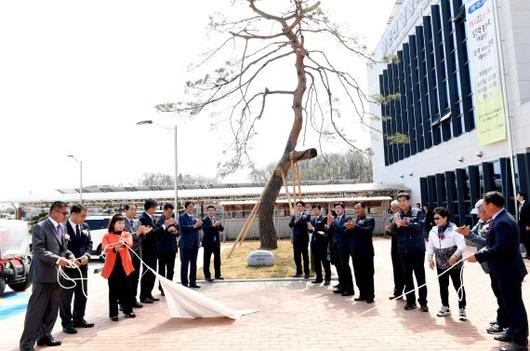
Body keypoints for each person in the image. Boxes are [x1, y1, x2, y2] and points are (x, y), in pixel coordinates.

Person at [468, 191, 528, 351]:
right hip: (504, 270)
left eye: (485, 205)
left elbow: (500, 249)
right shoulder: (500, 218)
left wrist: (479, 256)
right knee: (508, 304)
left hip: (509, 270)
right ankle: (511, 332)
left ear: (492, 205)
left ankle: (520, 342)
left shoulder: (502, 222)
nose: (484, 208)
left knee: (514, 306)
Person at [20, 201, 73, 351]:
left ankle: (44, 336)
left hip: (57, 276)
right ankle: (26, 343)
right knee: (36, 311)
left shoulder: (62, 227)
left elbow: (63, 249)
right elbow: (38, 250)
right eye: (64, 213)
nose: (66, 216)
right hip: (42, 275)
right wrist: (58, 259)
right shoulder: (40, 227)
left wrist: (70, 255)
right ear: (55, 212)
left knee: (52, 309)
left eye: (67, 213)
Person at [457, 200, 508, 334]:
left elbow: (487, 242)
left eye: (479, 212)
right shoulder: (481, 223)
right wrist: (466, 233)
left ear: (486, 209)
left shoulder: (496, 223)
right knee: (498, 294)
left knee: (503, 295)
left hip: (497, 264)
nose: (477, 216)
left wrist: (470, 235)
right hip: (489, 265)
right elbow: (470, 239)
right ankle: (502, 319)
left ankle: (505, 323)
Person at [426, 207, 467, 321]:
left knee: (458, 285)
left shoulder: (455, 229)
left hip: (454, 262)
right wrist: (430, 258)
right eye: (434, 218)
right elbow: (430, 246)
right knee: (443, 286)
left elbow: (462, 245)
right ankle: (445, 307)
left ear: (445, 218)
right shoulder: (433, 230)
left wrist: (455, 256)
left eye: (438, 218)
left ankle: (462, 308)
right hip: (440, 262)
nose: (435, 220)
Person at [59, 204, 94, 334]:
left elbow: (89, 244)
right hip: (68, 267)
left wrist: (87, 255)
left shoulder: (85, 226)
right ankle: (67, 323)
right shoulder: (63, 227)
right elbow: (61, 246)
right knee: (66, 297)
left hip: (83, 266)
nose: (84, 219)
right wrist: (70, 256)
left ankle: (79, 318)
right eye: (82, 216)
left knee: (82, 294)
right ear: (73, 214)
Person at [393, 192, 428, 312]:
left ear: (408, 201)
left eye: (404, 200)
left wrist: (407, 223)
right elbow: (395, 232)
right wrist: (394, 228)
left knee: (420, 277)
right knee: (407, 276)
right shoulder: (397, 214)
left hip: (417, 250)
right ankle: (410, 301)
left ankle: (423, 302)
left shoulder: (417, 212)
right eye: (400, 201)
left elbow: (421, 226)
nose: (402, 203)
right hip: (403, 250)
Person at [139, 199, 175, 303]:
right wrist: (165, 225)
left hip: (154, 250)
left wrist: (165, 227)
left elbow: (156, 232)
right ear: (151, 208)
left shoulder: (150, 218)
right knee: (147, 273)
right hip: (148, 250)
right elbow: (153, 233)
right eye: (155, 208)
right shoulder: (144, 219)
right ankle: (143, 296)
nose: (155, 210)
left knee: (152, 273)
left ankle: (148, 294)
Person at [101, 214, 136, 321]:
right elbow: (105, 248)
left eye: (123, 223)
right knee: (113, 290)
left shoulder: (126, 234)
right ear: (113, 224)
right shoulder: (106, 236)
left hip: (125, 266)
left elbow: (129, 244)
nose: (121, 225)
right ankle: (113, 313)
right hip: (112, 266)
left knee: (127, 289)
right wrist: (114, 249)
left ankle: (128, 310)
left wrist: (123, 243)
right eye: (119, 223)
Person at [123, 204, 151, 308]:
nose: (134, 211)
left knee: (135, 278)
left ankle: (133, 299)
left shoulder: (137, 222)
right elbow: (125, 237)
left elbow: (141, 238)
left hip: (137, 253)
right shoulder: (121, 222)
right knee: (127, 279)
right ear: (125, 210)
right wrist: (137, 233)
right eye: (132, 209)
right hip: (127, 254)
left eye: (135, 209)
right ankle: (124, 301)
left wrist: (144, 233)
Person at [349, 202, 375, 303]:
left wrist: (355, 226)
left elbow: (368, 231)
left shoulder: (369, 219)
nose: (357, 210)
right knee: (358, 274)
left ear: (363, 208)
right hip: (355, 252)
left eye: (358, 208)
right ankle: (362, 293)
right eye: (355, 209)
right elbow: (349, 235)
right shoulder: (353, 221)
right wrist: (347, 228)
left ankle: (370, 295)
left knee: (368, 274)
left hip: (366, 253)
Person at [326, 202, 354, 296]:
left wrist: (334, 222)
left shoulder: (347, 219)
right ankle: (342, 286)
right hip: (335, 247)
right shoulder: (336, 219)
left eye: (339, 208)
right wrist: (329, 225)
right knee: (338, 268)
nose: (337, 210)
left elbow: (343, 230)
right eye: (336, 208)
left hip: (343, 247)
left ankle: (350, 289)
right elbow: (329, 233)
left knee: (345, 268)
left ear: (343, 209)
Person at [178, 201, 202, 288]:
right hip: (186, 245)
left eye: (192, 206)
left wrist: (199, 224)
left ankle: (193, 282)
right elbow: (183, 228)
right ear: (186, 208)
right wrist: (194, 226)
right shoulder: (182, 217)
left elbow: (198, 228)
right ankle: (184, 283)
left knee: (193, 264)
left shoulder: (194, 217)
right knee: (185, 264)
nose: (191, 208)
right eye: (189, 207)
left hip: (195, 244)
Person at [157, 203, 179, 295]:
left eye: (171, 212)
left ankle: (169, 286)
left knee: (171, 269)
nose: (170, 214)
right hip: (162, 249)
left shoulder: (173, 219)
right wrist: (167, 230)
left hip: (172, 248)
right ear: (164, 211)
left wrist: (176, 232)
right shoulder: (159, 221)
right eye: (169, 212)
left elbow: (178, 232)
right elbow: (158, 234)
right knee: (162, 270)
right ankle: (162, 288)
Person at [308, 205, 331, 285]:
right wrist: (310, 228)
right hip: (314, 244)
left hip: (323, 245)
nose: (314, 211)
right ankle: (319, 278)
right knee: (316, 262)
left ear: (320, 210)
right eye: (313, 210)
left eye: (316, 210)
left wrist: (313, 228)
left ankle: (327, 279)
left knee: (325, 262)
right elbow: (311, 231)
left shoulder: (324, 219)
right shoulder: (313, 219)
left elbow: (323, 230)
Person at [386, 200, 404, 300]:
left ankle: (407, 292)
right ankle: (397, 292)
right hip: (394, 247)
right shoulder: (391, 218)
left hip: (403, 247)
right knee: (396, 269)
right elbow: (392, 233)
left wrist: (392, 230)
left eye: (393, 207)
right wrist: (388, 231)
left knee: (405, 270)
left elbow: (401, 231)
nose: (391, 209)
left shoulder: (403, 217)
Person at [288, 201, 311, 278]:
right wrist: (295, 221)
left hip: (304, 239)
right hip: (296, 239)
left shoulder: (307, 215)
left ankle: (307, 272)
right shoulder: (294, 215)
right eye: (297, 206)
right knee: (296, 256)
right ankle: (299, 272)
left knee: (305, 256)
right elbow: (290, 224)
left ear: (303, 207)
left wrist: (299, 220)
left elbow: (306, 224)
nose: (298, 207)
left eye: (300, 206)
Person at [202, 205, 224, 281]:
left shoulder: (216, 219)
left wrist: (219, 224)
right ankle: (207, 276)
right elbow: (205, 229)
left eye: (212, 210)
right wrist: (213, 225)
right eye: (209, 210)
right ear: (207, 212)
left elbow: (221, 229)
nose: (211, 211)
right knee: (207, 260)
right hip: (208, 243)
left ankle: (218, 275)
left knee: (217, 259)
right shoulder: (204, 220)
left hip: (216, 243)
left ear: (214, 211)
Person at [516, 191, 530, 259]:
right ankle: (528, 253)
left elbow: (529, 216)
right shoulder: (520, 204)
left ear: (521, 197)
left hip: (526, 225)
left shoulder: (527, 204)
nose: (516, 196)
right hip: (521, 224)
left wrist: (528, 225)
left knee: (527, 239)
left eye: (518, 195)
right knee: (524, 239)